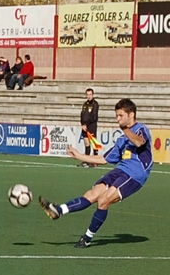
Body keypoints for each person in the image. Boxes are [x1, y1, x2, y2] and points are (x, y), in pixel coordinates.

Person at [39, 99, 153, 248]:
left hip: (135, 174)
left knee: (104, 200)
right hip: (120, 170)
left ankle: (87, 238)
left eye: (120, 115)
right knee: (92, 194)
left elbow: (139, 142)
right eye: (116, 116)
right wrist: (79, 156)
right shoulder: (121, 139)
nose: (117, 119)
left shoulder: (141, 129)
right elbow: (104, 159)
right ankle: (59, 210)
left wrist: (125, 129)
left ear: (131, 114)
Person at [79, 88, 99, 167]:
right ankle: (86, 160)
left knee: (94, 143)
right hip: (84, 126)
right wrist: (82, 124)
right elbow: (82, 114)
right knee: (86, 143)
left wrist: (86, 124)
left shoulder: (95, 104)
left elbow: (94, 117)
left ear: (93, 95)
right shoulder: (85, 104)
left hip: (91, 126)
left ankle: (95, 161)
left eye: (90, 94)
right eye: (87, 95)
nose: (89, 96)